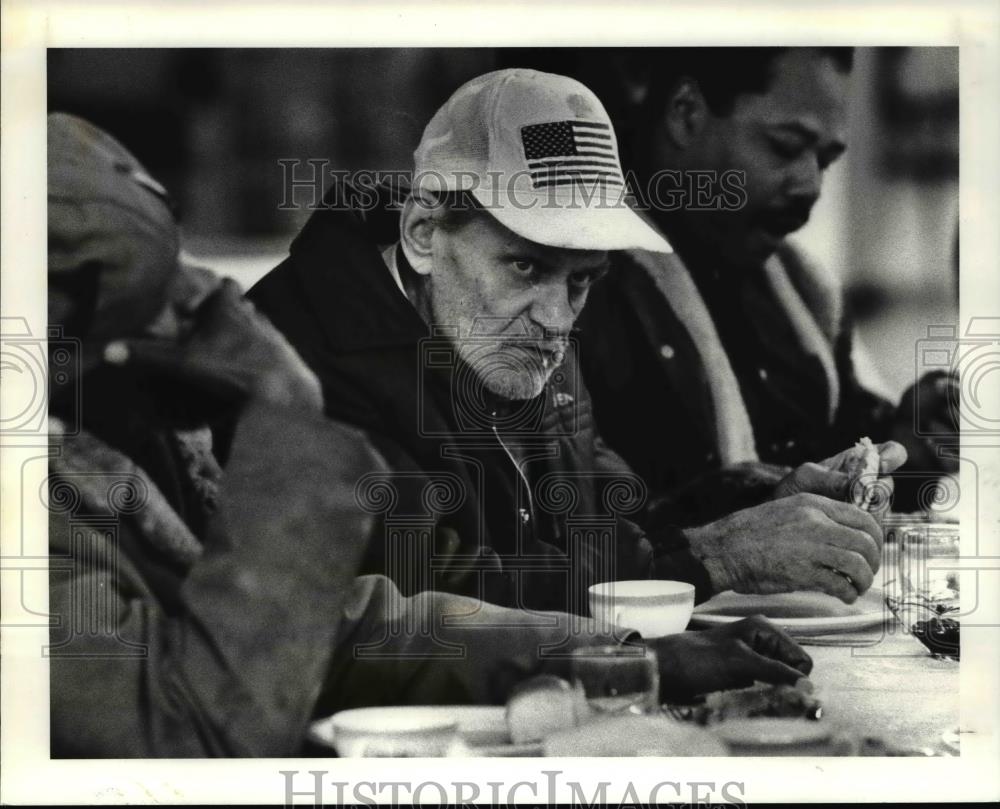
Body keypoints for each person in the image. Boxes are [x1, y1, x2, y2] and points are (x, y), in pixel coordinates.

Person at [47, 112, 816, 758]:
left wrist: (620, 649)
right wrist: (285, 403)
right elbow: (199, 726)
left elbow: (353, 626)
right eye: (142, 299)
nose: (200, 308)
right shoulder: (54, 491)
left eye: (581, 281)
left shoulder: (117, 434)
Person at [249, 68, 900, 618]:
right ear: (423, 231)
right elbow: (438, 592)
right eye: (525, 267)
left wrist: (761, 498)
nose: (559, 318)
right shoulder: (300, 362)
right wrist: (721, 554)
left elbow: (608, 529)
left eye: (585, 279)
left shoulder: (502, 329)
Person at [507, 47, 955, 521]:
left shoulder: (805, 290)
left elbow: (848, 468)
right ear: (686, 113)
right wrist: (749, 513)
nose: (811, 185)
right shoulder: (570, 284)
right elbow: (570, 531)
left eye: (825, 160)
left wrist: (913, 446)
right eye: (785, 146)